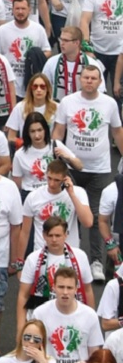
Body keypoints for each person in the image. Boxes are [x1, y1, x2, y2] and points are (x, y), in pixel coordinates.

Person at [53, 62, 123, 280]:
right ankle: (66, 259)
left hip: (100, 169)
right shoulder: (67, 102)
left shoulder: (109, 104)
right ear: (80, 80)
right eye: (86, 78)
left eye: (94, 78)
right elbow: (58, 133)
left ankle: (95, 262)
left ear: (100, 82)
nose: (89, 81)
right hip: (72, 168)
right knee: (67, 212)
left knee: (95, 215)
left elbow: (117, 132)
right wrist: (60, 156)